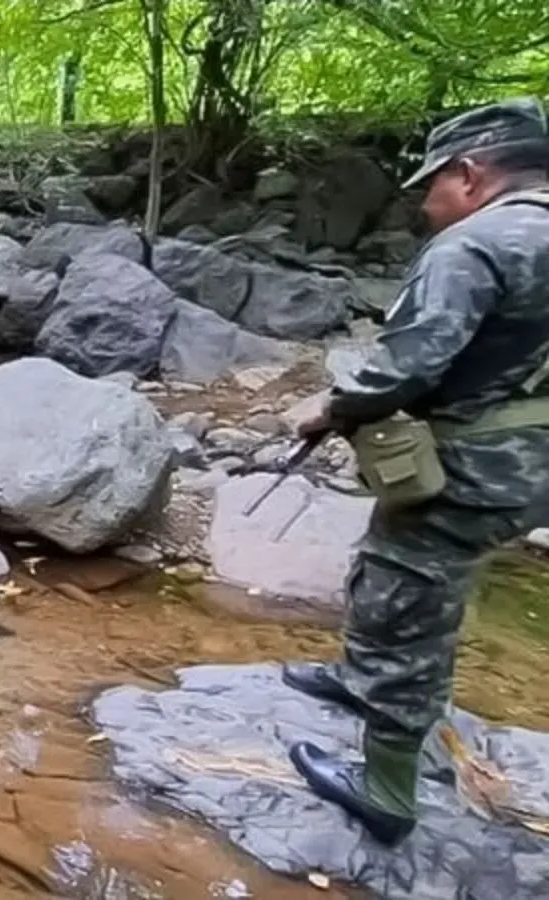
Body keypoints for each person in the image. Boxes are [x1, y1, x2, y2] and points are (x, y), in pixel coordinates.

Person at [283, 97, 549, 845]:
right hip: (530, 464)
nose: (424, 203)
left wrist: (332, 409)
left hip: (473, 463)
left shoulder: (479, 244)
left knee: (407, 597)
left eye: (429, 185)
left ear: (470, 174)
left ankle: (388, 789)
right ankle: (358, 680)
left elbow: (409, 365)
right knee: (410, 571)